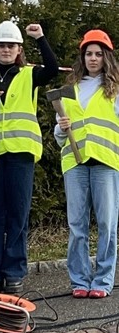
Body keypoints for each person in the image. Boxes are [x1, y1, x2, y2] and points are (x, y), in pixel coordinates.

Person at [0, 22, 58, 294]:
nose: (6, 50)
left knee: (17, 215)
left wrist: (40, 38)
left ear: (19, 49)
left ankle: (13, 272)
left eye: (11, 45)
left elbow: (53, 69)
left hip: (21, 153)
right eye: (1, 45)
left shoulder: (30, 74)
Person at [55, 29, 119, 299]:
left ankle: (103, 281)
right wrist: (61, 127)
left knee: (106, 224)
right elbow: (60, 137)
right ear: (83, 57)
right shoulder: (71, 90)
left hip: (105, 162)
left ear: (107, 57)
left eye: (98, 54)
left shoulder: (115, 91)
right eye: (88, 53)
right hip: (75, 162)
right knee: (77, 225)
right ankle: (80, 281)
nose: (93, 59)